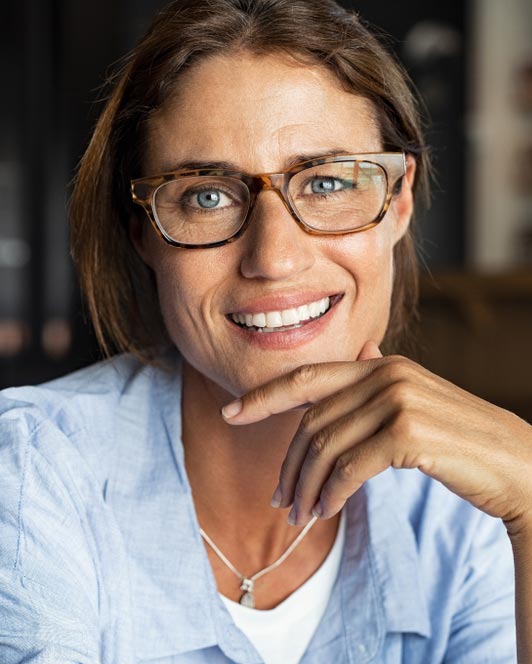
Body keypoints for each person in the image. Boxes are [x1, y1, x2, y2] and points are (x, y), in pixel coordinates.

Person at [1, 0, 531, 662]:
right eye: (205, 196)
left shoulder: (468, 520)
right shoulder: (32, 475)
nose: (274, 258)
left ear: (398, 202)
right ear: (142, 232)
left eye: (329, 181)